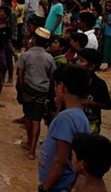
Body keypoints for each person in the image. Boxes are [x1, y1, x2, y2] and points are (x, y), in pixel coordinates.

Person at [38, 64, 91, 192]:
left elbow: (60, 161)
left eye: (56, 85)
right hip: (67, 182)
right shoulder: (80, 115)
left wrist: (44, 187)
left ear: (61, 87)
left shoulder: (65, 119)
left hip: (57, 185)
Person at [17, 27, 56, 160]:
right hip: (42, 92)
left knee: (28, 117)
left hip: (28, 90)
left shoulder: (26, 55)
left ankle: (29, 144)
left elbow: (20, 75)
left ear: (33, 40)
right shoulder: (49, 58)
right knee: (36, 120)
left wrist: (20, 90)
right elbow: (52, 78)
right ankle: (32, 150)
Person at [72, 48, 111, 135]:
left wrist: (92, 104)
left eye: (81, 61)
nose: (77, 63)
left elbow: (108, 105)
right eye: (77, 59)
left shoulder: (99, 84)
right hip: (73, 123)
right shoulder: (72, 81)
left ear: (91, 67)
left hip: (91, 126)